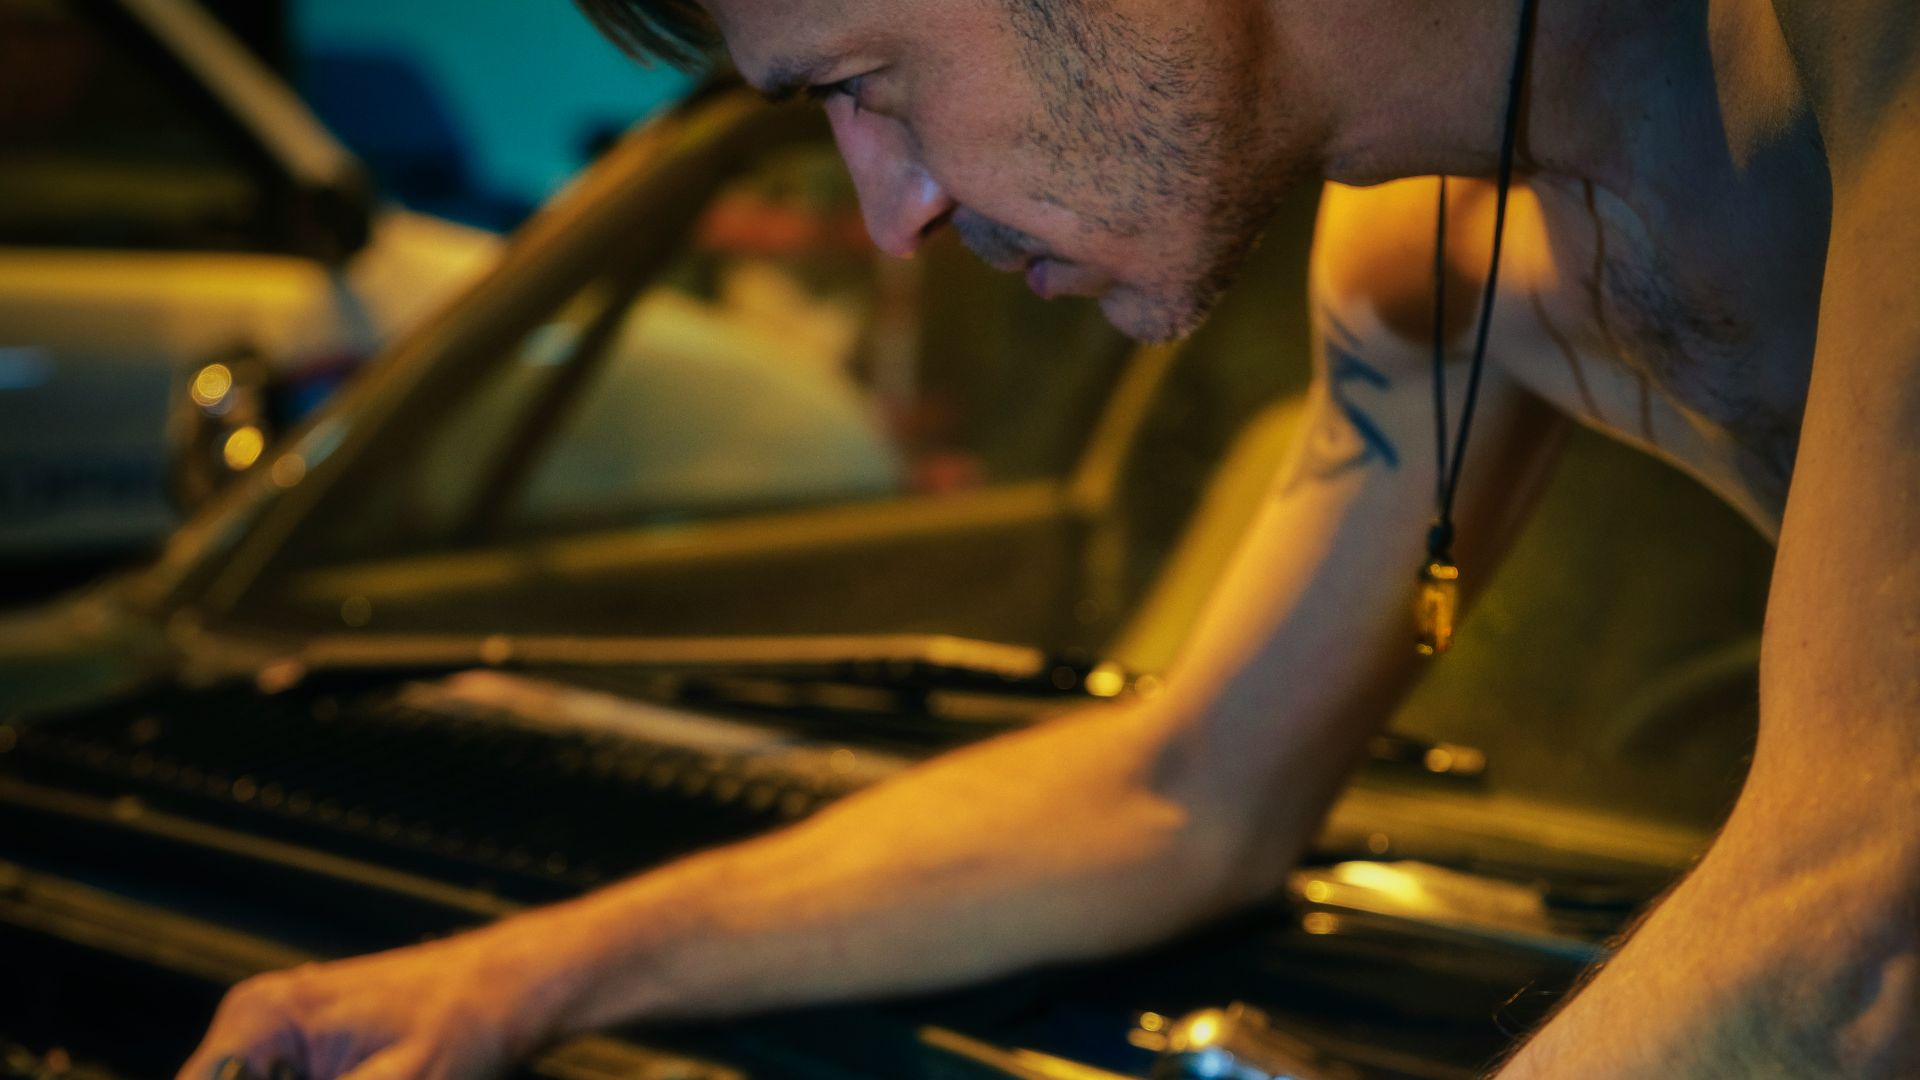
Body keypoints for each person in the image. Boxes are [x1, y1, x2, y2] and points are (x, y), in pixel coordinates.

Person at [182, 0, 1920, 1075]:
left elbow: (1860, 913)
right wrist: (516, 980)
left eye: (867, 81)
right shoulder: (1425, 269)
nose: (890, 215)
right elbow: (1181, 790)